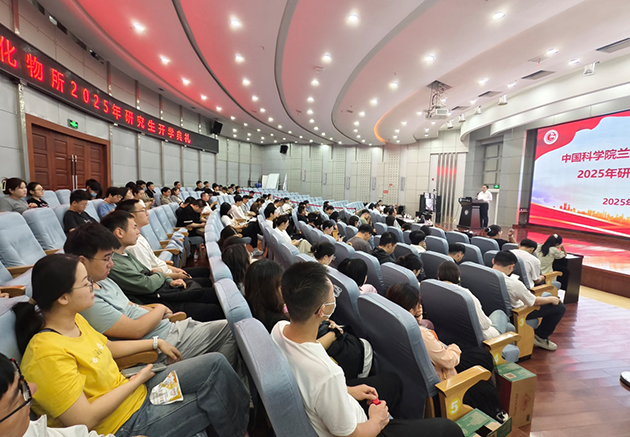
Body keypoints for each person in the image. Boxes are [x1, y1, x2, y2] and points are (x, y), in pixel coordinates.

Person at [13, 254, 249, 437]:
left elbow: (107, 347)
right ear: (63, 298)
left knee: (216, 365)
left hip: (134, 390)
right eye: (86, 283)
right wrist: (137, 380)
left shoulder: (74, 320)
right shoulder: (46, 354)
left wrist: (156, 342)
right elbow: (84, 419)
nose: (93, 286)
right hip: (122, 424)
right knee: (215, 396)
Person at [272, 262, 462, 437]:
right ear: (321, 311)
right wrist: (376, 420)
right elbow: (353, 434)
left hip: (338, 403)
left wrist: (348, 390)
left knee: (393, 382)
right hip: (362, 430)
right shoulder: (327, 374)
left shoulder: (279, 329)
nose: (334, 299)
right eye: (332, 297)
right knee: (449, 429)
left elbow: (319, 390)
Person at [63, 223, 241, 371]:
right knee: (232, 330)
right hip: (158, 347)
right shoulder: (87, 300)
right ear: (82, 261)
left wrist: (158, 312)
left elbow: (131, 305)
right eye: (106, 259)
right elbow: (136, 330)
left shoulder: (104, 281)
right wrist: (160, 309)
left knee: (231, 328)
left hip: (168, 329)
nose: (112, 264)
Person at [386, 283, 502, 419]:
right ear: (411, 310)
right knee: (485, 375)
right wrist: (454, 348)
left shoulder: (390, 325)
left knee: (479, 355)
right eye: (417, 305)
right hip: (445, 383)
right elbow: (448, 361)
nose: (420, 307)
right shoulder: (420, 334)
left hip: (419, 386)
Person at [101, 211, 224, 322]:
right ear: (119, 232)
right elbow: (147, 284)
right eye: (134, 228)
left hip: (163, 290)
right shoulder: (114, 264)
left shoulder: (125, 254)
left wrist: (170, 281)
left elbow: (149, 273)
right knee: (213, 308)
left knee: (212, 294)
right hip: (158, 302)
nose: (138, 231)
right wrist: (159, 273)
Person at [0, 352, 121, 437]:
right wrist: (133, 382)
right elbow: (85, 418)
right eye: (18, 395)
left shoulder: (30, 431)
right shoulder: (45, 355)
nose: (33, 388)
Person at [116, 199, 211, 282]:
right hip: (164, 279)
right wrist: (176, 275)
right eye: (143, 211)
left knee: (205, 271)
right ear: (131, 216)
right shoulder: (133, 245)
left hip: (167, 272)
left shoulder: (139, 236)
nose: (147, 213)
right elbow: (149, 275)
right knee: (206, 282)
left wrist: (175, 270)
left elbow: (155, 261)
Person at [493, 251, 566, 351]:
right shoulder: (513, 283)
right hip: (517, 313)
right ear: (511, 266)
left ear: (493, 261)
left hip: (495, 309)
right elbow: (534, 302)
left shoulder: (485, 273)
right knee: (559, 307)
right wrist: (552, 299)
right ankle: (540, 337)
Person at [437, 262, 512, 340]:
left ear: (438, 277)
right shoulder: (465, 294)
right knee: (500, 313)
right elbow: (485, 324)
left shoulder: (435, 291)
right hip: (482, 336)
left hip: (457, 334)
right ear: (458, 277)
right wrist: (490, 321)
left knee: (510, 327)